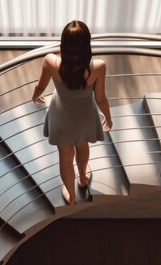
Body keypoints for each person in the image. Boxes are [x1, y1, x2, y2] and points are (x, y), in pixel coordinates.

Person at [32, 20, 112, 205]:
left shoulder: (50, 61)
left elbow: (40, 86)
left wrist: (35, 96)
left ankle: (71, 195)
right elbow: (101, 98)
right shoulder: (98, 67)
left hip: (61, 118)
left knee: (65, 158)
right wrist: (108, 116)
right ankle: (83, 178)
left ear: (63, 43)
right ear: (87, 44)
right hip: (85, 118)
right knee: (83, 146)